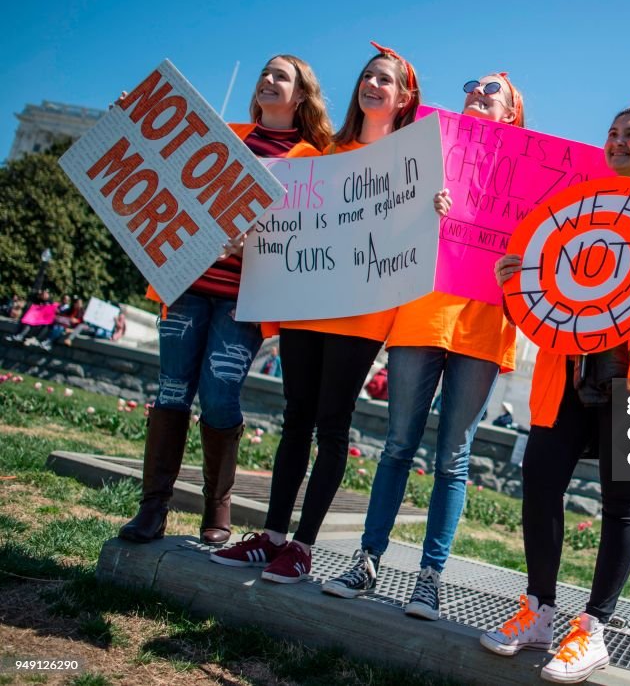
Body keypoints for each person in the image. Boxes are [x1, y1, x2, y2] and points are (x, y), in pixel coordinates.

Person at [479, 98, 630, 683]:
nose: (617, 142)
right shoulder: (579, 206)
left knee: (621, 503)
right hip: (570, 370)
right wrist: (515, 277)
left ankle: (592, 629)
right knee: (540, 483)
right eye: (612, 133)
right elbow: (546, 277)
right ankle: (538, 610)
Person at [211, 42, 420, 582]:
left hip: (360, 315)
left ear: (403, 97)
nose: (372, 85)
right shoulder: (320, 156)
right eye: (367, 76)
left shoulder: (415, 164)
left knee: (332, 424)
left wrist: (430, 211)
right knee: (295, 418)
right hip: (306, 305)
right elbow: (284, 225)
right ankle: (273, 536)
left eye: (385, 80)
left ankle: (302, 546)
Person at [322, 72, 525, 619]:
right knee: (397, 446)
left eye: (492, 92)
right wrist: (420, 211)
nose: (479, 94)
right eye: (473, 88)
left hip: (482, 325)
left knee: (453, 460)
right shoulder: (425, 146)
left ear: (511, 114)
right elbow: (380, 222)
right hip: (421, 316)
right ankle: (367, 560)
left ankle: (429, 578)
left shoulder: (528, 176)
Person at [119, 54, 330, 546]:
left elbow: (313, 233)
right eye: (265, 73)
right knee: (172, 391)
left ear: (301, 96)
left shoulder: (315, 161)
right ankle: (152, 510)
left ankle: (218, 506)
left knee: (218, 395)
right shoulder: (225, 137)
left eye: (282, 76)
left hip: (246, 301)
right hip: (188, 285)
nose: (268, 80)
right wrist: (135, 121)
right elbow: (164, 159)